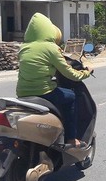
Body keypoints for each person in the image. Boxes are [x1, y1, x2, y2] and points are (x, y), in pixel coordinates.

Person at [16, 12, 93, 149]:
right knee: (71, 97)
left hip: (22, 93)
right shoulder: (51, 48)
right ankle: (71, 138)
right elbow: (70, 74)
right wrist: (86, 72)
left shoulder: (24, 48)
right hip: (43, 91)